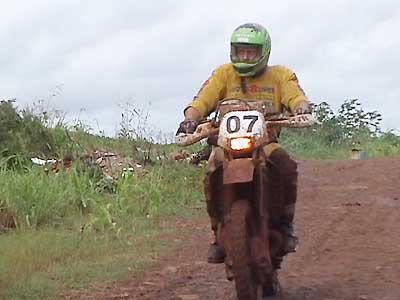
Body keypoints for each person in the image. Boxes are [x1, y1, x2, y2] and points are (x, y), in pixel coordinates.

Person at [176, 23, 311, 264]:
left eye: (251, 52)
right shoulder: (223, 74)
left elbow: (295, 95)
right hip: (226, 144)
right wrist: (190, 119)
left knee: (286, 165)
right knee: (211, 170)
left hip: (266, 142)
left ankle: (286, 224)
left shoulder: (280, 75)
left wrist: (301, 107)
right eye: (241, 51)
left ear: (264, 53)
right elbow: (202, 100)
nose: (245, 57)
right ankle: (217, 232)